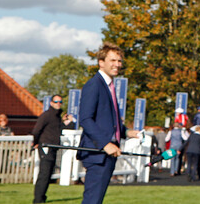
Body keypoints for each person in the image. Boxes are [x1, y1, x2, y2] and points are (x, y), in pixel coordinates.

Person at [77, 43, 139, 204]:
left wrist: (127, 132)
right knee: (92, 200)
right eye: (112, 60)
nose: (117, 64)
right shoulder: (94, 85)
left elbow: (107, 122)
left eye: (119, 61)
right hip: (98, 153)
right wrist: (105, 144)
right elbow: (85, 119)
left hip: (107, 154)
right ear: (101, 62)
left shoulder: (109, 86)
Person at [32, 95, 63, 203]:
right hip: (46, 147)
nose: (58, 103)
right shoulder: (46, 115)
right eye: (56, 101)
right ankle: (38, 199)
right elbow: (36, 130)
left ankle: (42, 197)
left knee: (48, 173)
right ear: (51, 103)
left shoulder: (58, 117)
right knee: (44, 174)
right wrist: (36, 143)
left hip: (53, 148)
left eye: (60, 101)